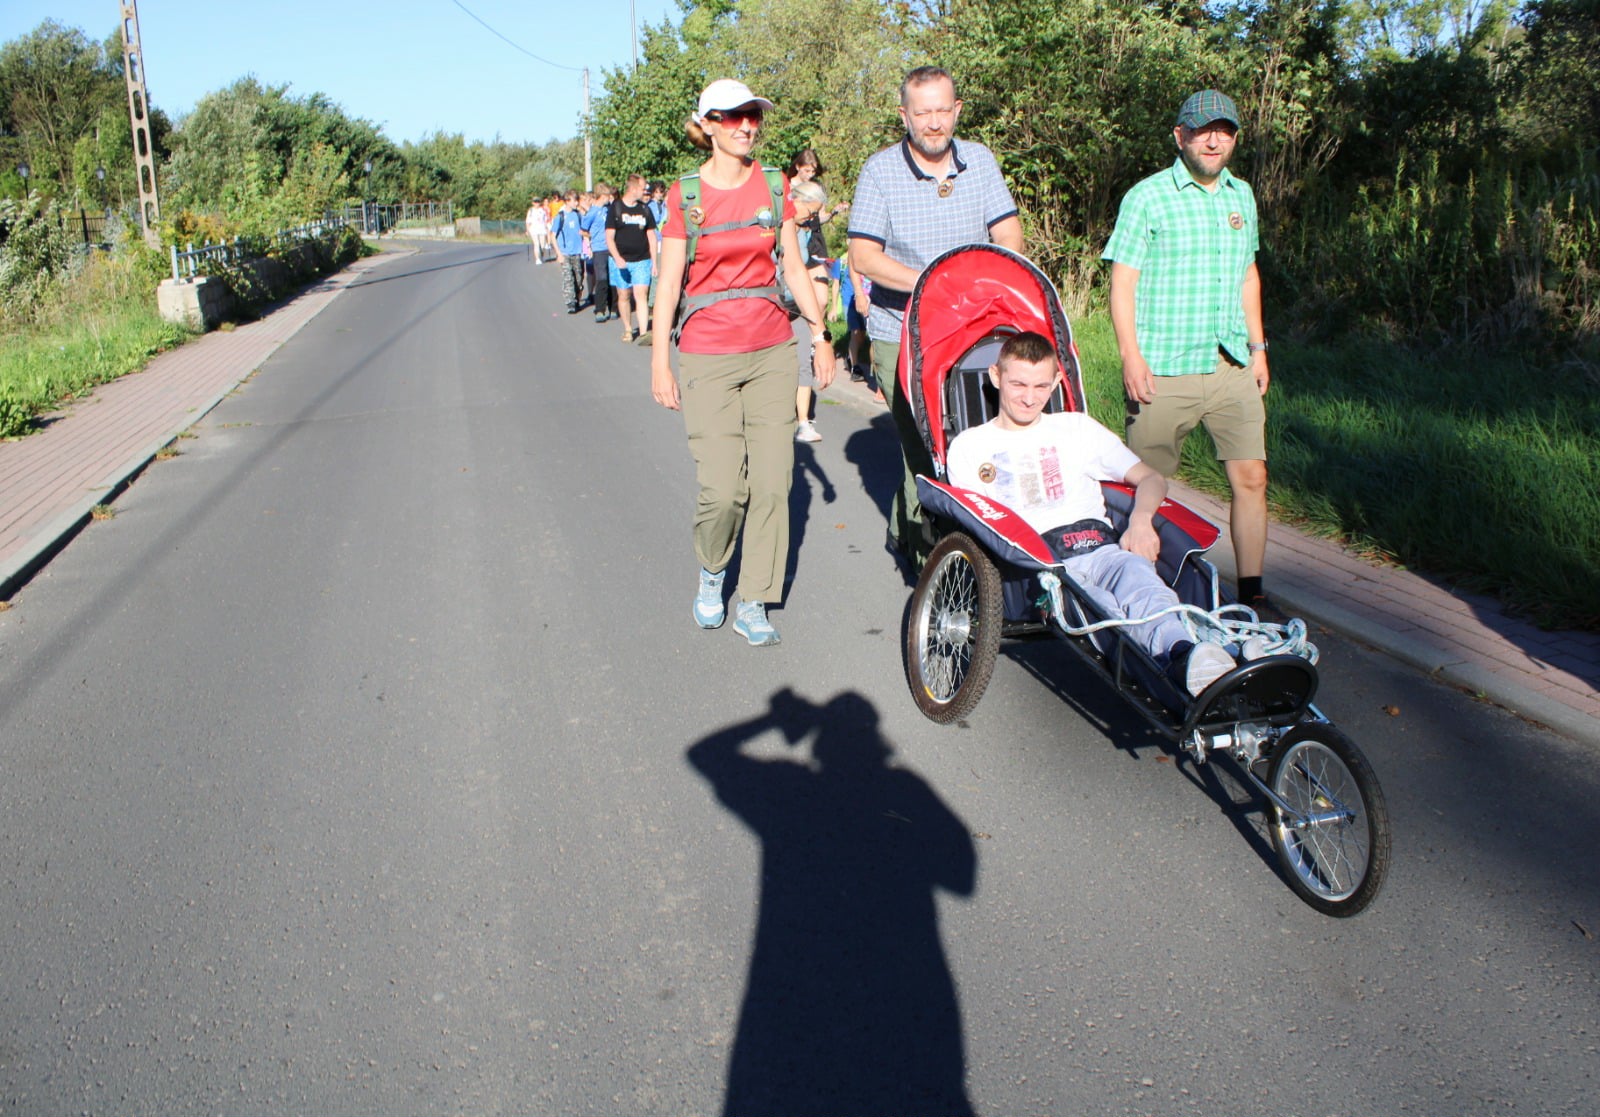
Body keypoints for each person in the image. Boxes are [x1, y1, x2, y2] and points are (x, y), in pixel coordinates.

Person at [945, 332, 1237, 696]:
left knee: (1143, 584)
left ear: (1056, 381)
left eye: (1040, 386)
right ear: (995, 376)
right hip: (1041, 562)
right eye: (1018, 384)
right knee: (1102, 607)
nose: (1029, 398)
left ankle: (1193, 653)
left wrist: (1140, 522)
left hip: (1101, 545)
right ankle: (1182, 675)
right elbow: (977, 520)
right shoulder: (970, 446)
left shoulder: (1077, 429)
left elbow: (1151, 478)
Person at [650, 78, 835, 648]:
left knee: (775, 484)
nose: (746, 126)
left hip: (772, 349)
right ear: (708, 125)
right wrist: (659, 362)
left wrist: (820, 334)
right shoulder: (685, 196)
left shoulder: (774, 186)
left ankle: (753, 599)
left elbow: (794, 267)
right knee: (724, 489)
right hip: (705, 354)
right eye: (732, 117)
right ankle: (713, 570)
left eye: (753, 115)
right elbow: (668, 284)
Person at [1103, 89, 1273, 614]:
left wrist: (1259, 347)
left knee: (1252, 477)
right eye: (1202, 131)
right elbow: (1123, 283)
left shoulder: (1241, 196)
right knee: (1147, 486)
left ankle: (1253, 594)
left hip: (1230, 362)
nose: (1214, 141)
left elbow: (1248, 275)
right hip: (1164, 367)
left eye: (1224, 131)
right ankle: (1141, 595)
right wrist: (1131, 356)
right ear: (1181, 137)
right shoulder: (1147, 197)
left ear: (1235, 138)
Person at [849, 65, 1025, 569]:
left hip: (974, 330)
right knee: (925, 449)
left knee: (971, 442)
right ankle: (933, 565)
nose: (933, 122)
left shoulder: (980, 161)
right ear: (904, 115)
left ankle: (929, 537)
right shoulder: (880, 171)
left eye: (942, 111)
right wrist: (935, 282)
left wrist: (992, 275)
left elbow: (1008, 234)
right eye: (922, 112)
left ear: (957, 110)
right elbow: (864, 256)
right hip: (901, 332)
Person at [789, 178, 833, 443]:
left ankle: (803, 422)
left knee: (804, 361)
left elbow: (808, 266)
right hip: (773, 308)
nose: (812, 219)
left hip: (798, 307)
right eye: (810, 212)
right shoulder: (774, 228)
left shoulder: (804, 232)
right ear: (795, 201)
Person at [607, 173, 659, 343]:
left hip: (642, 260)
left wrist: (654, 262)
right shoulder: (616, 208)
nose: (645, 191)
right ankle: (628, 329)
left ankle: (644, 333)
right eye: (643, 188)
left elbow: (651, 236)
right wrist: (617, 258)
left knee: (641, 294)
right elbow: (609, 237)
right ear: (634, 189)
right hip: (620, 260)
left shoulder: (645, 209)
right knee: (623, 295)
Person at [582, 182, 615, 322]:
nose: (609, 198)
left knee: (612, 278)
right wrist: (592, 239)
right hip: (599, 248)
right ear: (602, 196)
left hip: (611, 247)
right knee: (602, 278)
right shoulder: (592, 212)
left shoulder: (608, 209)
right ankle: (600, 309)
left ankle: (613, 307)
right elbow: (583, 230)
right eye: (607, 196)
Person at [551, 189, 586, 313]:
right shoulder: (560, 217)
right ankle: (570, 302)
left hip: (577, 252)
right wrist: (559, 253)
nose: (576, 203)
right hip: (565, 252)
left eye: (577, 200)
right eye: (574, 200)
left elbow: (584, 231)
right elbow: (553, 236)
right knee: (568, 278)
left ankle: (577, 297)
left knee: (578, 278)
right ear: (567, 201)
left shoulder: (578, 215)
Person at [524, 196, 550, 264]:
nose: (537, 203)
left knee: (542, 245)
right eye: (535, 202)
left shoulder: (542, 210)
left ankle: (541, 256)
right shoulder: (531, 211)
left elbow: (545, 220)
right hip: (533, 229)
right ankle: (537, 259)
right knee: (536, 244)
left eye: (538, 202)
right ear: (533, 203)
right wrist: (527, 230)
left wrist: (546, 228)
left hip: (542, 229)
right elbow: (528, 221)